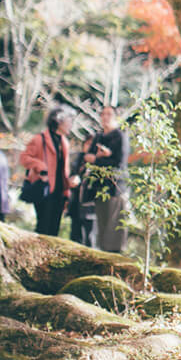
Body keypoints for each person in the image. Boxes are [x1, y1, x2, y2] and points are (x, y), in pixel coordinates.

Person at [20, 106, 75, 237]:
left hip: (59, 191)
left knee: (54, 229)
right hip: (43, 189)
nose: (71, 124)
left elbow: (64, 168)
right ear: (59, 121)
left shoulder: (64, 142)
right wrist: (40, 165)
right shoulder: (40, 139)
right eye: (69, 120)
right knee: (43, 227)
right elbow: (24, 158)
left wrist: (68, 186)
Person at [85, 105, 130, 253]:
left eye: (109, 114)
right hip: (99, 187)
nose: (105, 117)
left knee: (114, 228)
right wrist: (99, 157)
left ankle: (114, 260)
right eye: (103, 114)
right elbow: (88, 157)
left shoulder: (120, 136)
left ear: (116, 117)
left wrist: (99, 159)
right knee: (102, 227)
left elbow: (119, 164)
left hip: (115, 187)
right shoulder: (98, 137)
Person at [67, 143, 96, 247]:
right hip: (76, 202)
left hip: (90, 204)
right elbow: (71, 174)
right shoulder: (78, 159)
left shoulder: (98, 162)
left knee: (89, 236)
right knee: (75, 233)